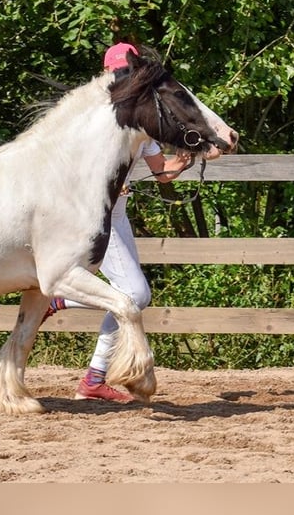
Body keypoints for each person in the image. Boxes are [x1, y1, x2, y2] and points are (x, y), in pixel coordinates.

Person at [43, 42, 193, 403]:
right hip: (93, 217)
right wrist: (108, 182)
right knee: (135, 295)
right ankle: (69, 318)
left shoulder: (141, 126)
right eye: (120, 75)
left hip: (118, 216)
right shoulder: (93, 124)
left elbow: (162, 174)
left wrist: (186, 159)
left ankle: (93, 377)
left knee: (133, 297)